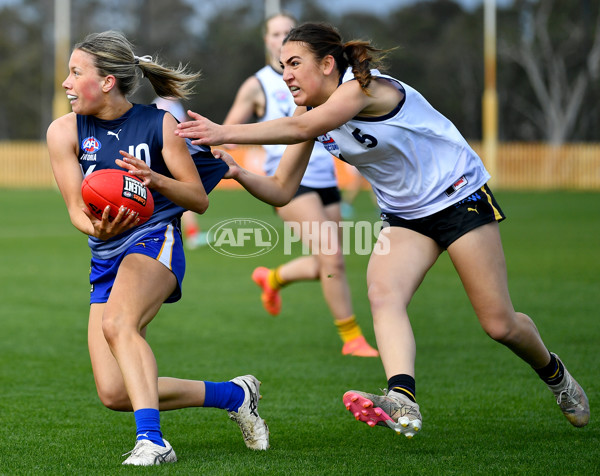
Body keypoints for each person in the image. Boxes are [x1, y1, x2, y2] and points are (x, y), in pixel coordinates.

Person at [175, 22, 590, 438]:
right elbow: (282, 190)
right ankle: (401, 398)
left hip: (458, 198)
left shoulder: (363, 89)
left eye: (295, 63)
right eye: (282, 66)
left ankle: (556, 376)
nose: (285, 75)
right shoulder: (307, 117)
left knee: (500, 324)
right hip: (407, 217)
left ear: (327, 64)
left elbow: (302, 130)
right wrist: (238, 171)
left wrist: (225, 132)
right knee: (383, 293)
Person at [46, 30, 269, 466]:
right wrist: (97, 227)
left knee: (119, 323)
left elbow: (197, 198)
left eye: (76, 73)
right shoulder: (64, 132)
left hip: (155, 239)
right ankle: (235, 394)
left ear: (107, 81)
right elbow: (76, 209)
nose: (66, 83)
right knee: (114, 392)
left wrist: (156, 179)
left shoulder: (159, 124)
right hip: (105, 253)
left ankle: (153, 441)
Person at [222, 12, 378, 358]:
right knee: (333, 259)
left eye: (285, 32)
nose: (280, 38)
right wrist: (213, 146)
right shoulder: (257, 84)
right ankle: (351, 338)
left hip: (325, 179)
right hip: (291, 178)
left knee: (329, 261)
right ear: (266, 41)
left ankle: (273, 278)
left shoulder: (324, 82)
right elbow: (230, 130)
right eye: (274, 34)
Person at [152, 96, 211, 249]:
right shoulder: (167, 105)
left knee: (182, 193)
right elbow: (179, 128)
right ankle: (190, 234)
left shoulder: (163, 103)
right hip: (172, 154)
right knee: (187, 192)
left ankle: (189, 232)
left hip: (168, 153)